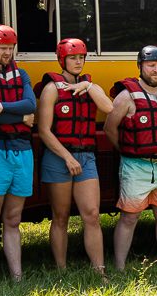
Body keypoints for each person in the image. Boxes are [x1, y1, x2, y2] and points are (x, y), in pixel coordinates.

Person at [36, 39, 113, 275]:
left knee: (92, 215)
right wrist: (67, 158)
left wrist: (89, 87)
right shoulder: (52, 89)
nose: (78, 62)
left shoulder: (90, 86)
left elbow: (108, 108)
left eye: (81, 57)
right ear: (63, 60)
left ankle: (99, 271)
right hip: (59, 158)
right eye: (72, 58)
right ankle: (61, 271)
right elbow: (44, 131)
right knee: (61, 216)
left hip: (86, 157)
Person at [104, 45, 157, 271]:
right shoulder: (126, 96)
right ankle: (120, 267)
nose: (156, 70)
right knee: (130, 217)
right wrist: (127, 150)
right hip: (135, 165)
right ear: (140, 67)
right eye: (151, 65)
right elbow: (110, 128)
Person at [0, 25, 36, 283]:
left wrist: (1, 107)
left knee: (13, 218)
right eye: (3, 48)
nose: (7, 52)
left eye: (11, 48)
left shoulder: (21, 74)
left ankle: (17, 277)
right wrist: (21, 117)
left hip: (22, 151)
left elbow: (31, 104)